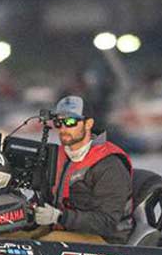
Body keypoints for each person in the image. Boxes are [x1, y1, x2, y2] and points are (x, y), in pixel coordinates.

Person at [32, 96, 133, 244]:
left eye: (70, 121)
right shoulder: (59, 157)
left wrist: (59, 217)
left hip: (106, 239)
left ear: (88, 124)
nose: (63, 129)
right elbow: (45, 197)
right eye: (59, 122)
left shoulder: (109, 165)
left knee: (46, 243)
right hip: (65, 229)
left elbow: (107, 222)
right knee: (12, 236)